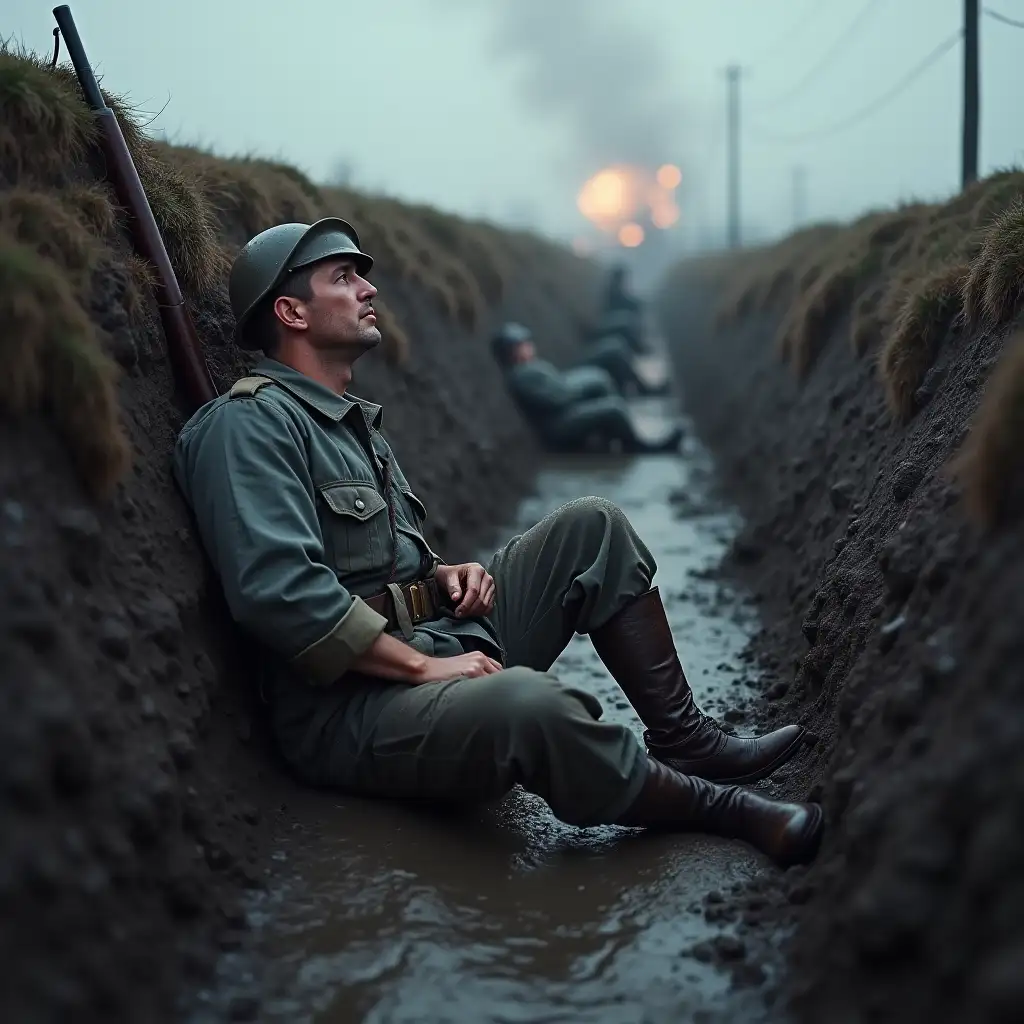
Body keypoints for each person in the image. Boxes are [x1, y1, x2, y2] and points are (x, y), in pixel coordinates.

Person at [173, 219, 824, 868]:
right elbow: (280, 596)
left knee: (592, 526)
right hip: (351, 710)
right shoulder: (246, 426)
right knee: (529, 705)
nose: (369, 289)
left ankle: (685, 740)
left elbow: (384, 563)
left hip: (439, 641)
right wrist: (426, 668)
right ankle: (721, 809)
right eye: (343, 278)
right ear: (291, 311)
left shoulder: (349, 424)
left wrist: (447, 576)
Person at [492, 322, 683, 455]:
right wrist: (580, 390)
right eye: (522, 345)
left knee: (599, 383)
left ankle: (609, 440)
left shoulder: (527, 370)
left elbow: (558, 390)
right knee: (613, 408)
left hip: (559, 416)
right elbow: (557, 398)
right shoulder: (521, 375)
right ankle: (638, 447)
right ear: (512, 352)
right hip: (555, 427)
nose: (529, 347)